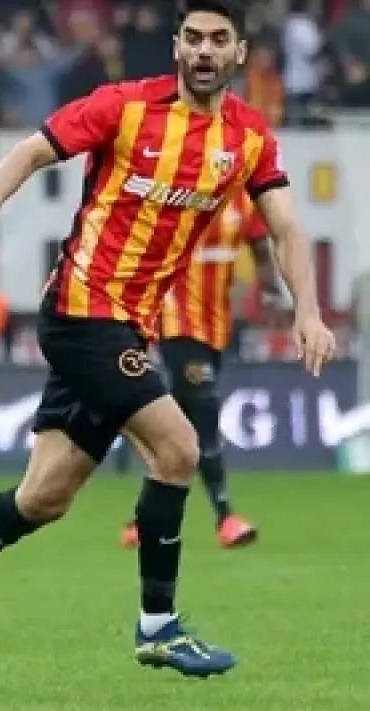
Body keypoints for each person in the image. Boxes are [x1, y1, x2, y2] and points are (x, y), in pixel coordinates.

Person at [0, 0, 336, 678]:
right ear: (176, 46)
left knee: (43, 498)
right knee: (178, 447)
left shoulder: (249, 136)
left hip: (129, 324)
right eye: (193, 37)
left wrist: (307, 312)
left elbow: (286, 228)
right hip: (81, 310)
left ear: (239, 52)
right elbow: (28, 152)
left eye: (218, 39)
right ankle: (159, 627)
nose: (204, 50)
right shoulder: (125, 107)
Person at [119, 191, 281, 550]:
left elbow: (260, 246)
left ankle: (141, 522)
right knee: (205, 409)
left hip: (216, 328)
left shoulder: (242, 202)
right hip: (177, 324)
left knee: (179, 429)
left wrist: (270, 289)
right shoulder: (179, 192)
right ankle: (226, 518)